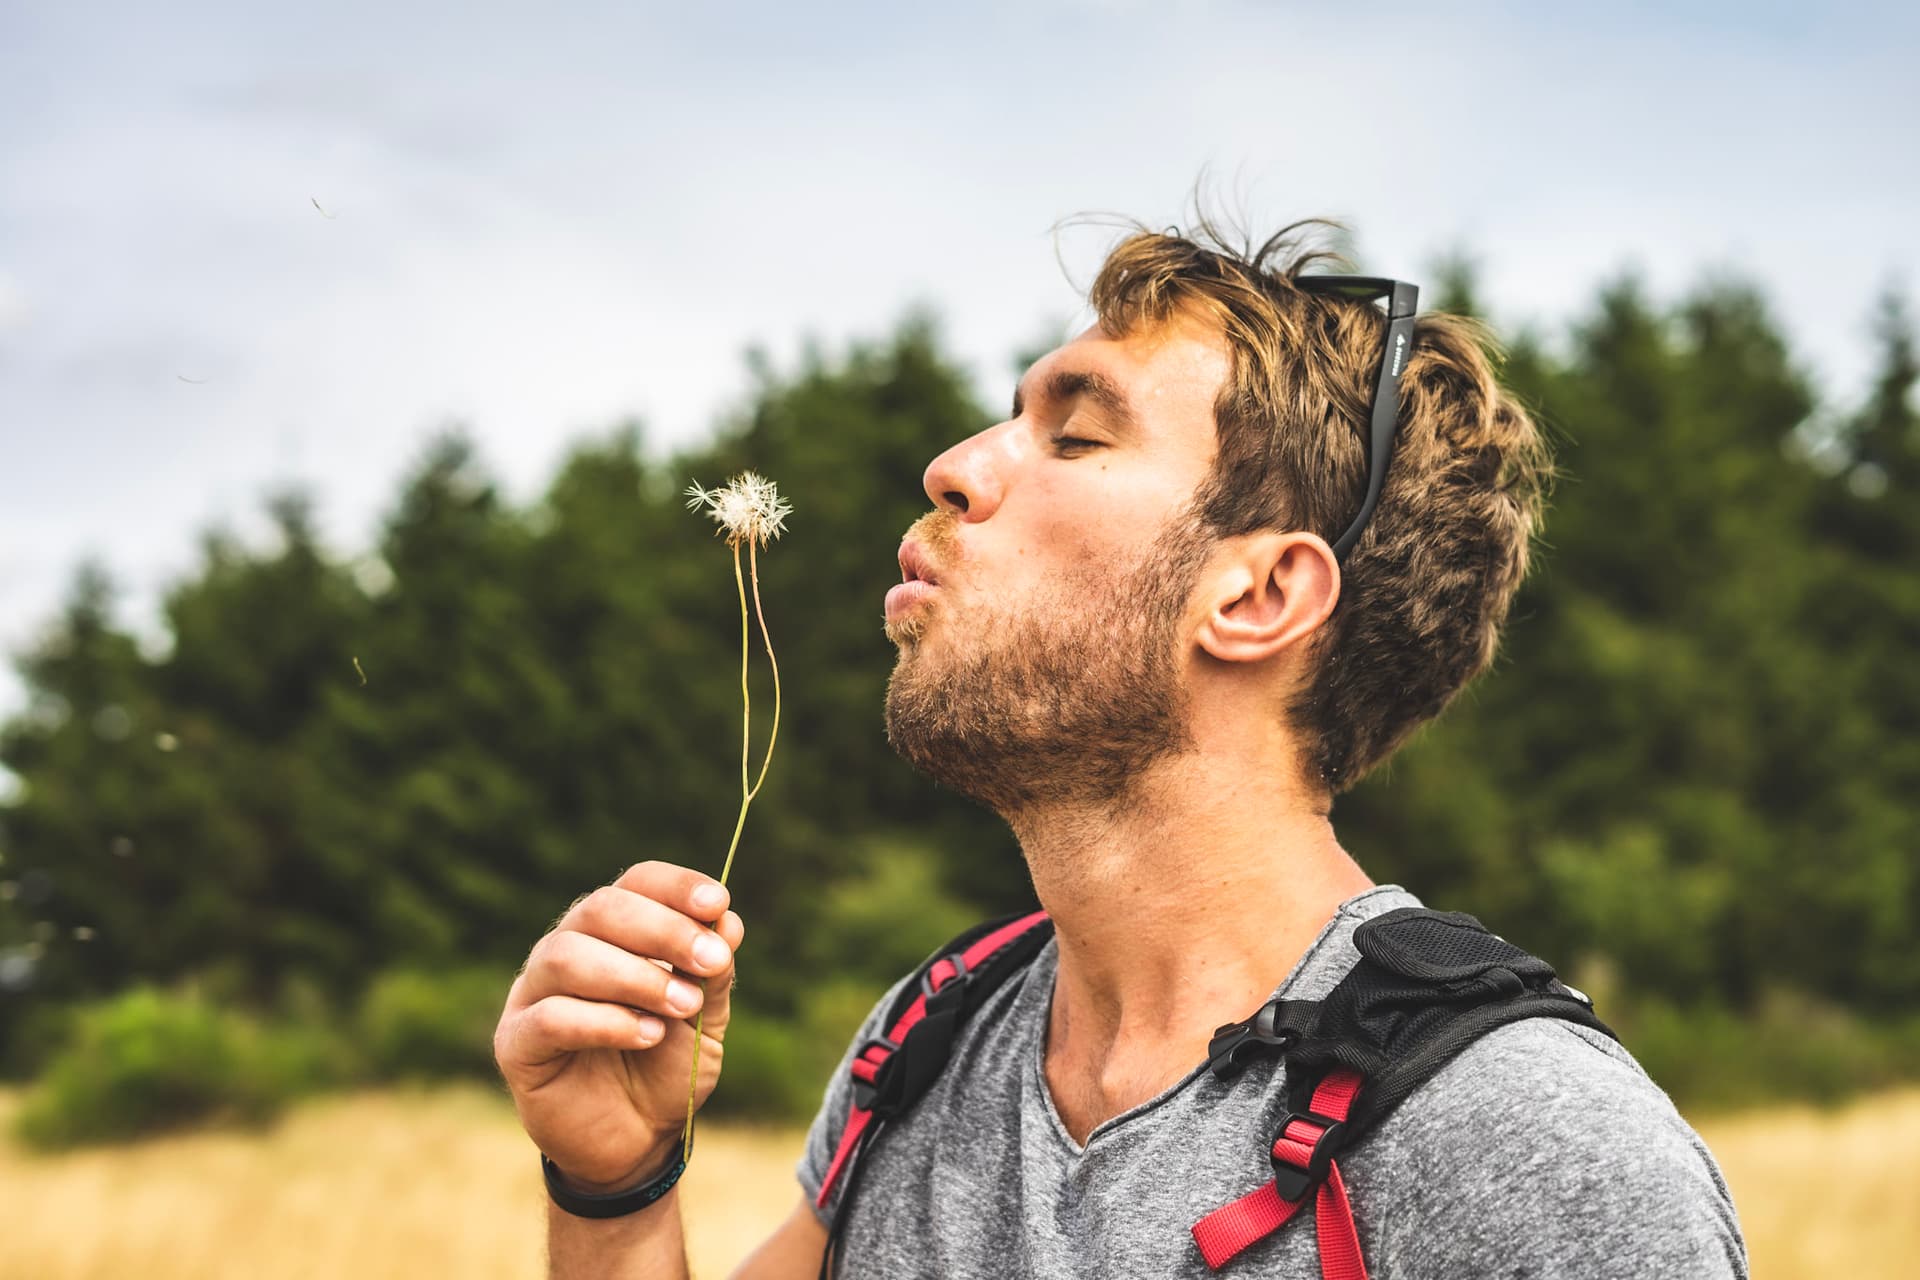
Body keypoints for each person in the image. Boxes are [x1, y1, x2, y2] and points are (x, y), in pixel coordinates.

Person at [493, 218, 1749, 1278]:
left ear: (1255, 597)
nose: (953, 468)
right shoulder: (931, 1038)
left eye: (1075, 435)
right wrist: (619, 1184)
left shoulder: (1524, 1152)